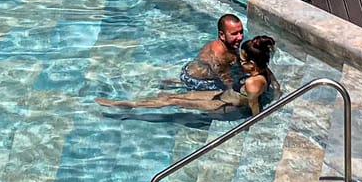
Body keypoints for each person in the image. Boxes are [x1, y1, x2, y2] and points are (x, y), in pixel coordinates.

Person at [99, 35, 279, 117]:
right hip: (223, 96)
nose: (239, 62)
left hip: (222, 105)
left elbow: (254, 106)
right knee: (172, 97)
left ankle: (129, 106)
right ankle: (139, 102)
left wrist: (256, 120)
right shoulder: (264, 70)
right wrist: (276, 95)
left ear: (252, 64)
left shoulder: (253, 83)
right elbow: (275, 85)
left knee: (174, 100)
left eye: (242, 60)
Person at [180, 14, 244, 91]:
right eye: (234, 34)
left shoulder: (231, 44)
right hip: (195, 80)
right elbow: (227, 82)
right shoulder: (218, 55)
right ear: (222, 35)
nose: (240, 37)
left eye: (241, 32)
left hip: (198, 70)